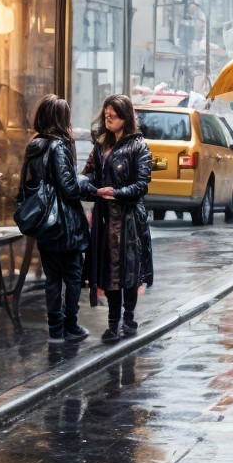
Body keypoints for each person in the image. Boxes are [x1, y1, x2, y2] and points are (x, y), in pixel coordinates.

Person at [84, 94, 157, 340]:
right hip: (105, 219)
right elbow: (89, 176)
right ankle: (112, 322)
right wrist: (88, 187)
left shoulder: (139, 146)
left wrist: (116, 193)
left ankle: (128, 319)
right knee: (109, 272)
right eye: (106, 114)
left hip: (128, 220)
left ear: (125, 117)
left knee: (129, 271)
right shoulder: (100, 146)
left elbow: (142, 184)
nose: (108, 118)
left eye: (112, 115)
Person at [21, 97, 90, 342]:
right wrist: (85, 182)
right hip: (64, 223)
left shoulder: (34, 145)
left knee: (52, 277)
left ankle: (55, 328)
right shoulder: (58, 146)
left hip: (44, 222)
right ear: (61, 119)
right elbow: (69, 188)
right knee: (71, 274)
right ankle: (70, 325)